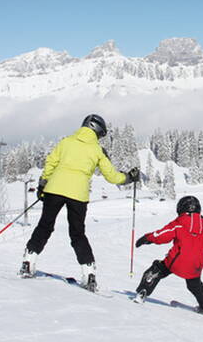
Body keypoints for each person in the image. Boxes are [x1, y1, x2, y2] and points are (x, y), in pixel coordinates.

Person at [19, 114, 140, 292]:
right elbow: (112, 176)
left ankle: (29, 262)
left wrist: (43, 183)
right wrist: (129, 178)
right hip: (78, 195)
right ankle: (89, 274)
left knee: (45, 226)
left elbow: (51, 163)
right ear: (97, 130)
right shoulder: (97, 150)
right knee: (77, 234)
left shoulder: (66, 142)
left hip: (54, 189)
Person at [132, 195, 203, 316]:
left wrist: (147, 238)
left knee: (158, 269)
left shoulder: (179, 224)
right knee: (195, 286)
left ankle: (144, 290)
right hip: (195, 267)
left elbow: (163, 234)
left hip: (176, 262)